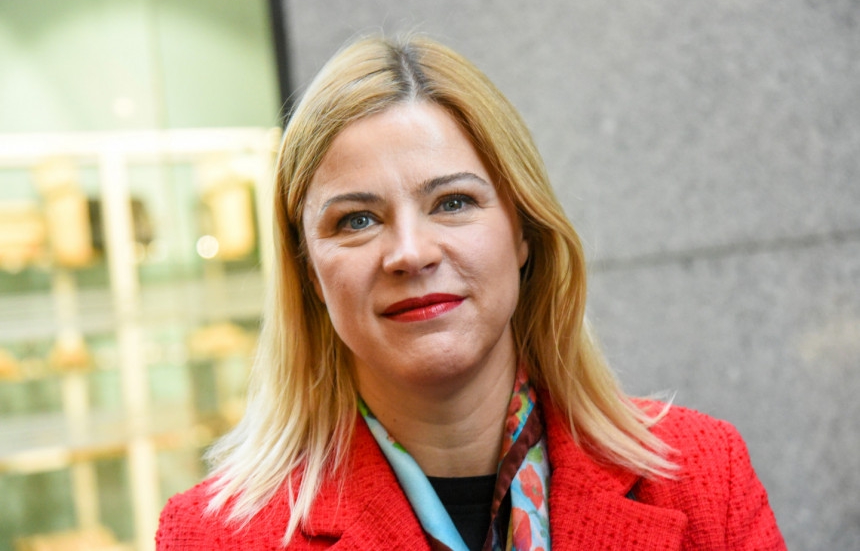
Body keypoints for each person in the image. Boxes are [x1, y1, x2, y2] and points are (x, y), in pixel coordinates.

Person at [156, 35, 785, 551]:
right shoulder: (213, 538)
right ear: (308, 274)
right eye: (356, 220)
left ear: (523, 232)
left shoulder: (704, 475)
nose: (410, 253)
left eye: (452, 202)